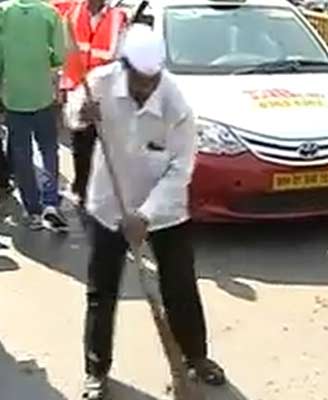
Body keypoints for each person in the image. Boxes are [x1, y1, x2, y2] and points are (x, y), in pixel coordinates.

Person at [64, 24, 226, 399]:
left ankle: (195, 358)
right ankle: (96, 370)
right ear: (124, 67)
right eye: (138, 80)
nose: (145, 88)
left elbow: (180, 170)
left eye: (151, 81)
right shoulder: (100, 82)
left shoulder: (176, 105)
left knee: (180, 287)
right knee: (100, 292)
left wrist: (147, 215)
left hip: (164, 211)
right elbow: (72, 109)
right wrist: (81, 114)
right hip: (109, 203)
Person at [0, 0, 69, 232]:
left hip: (14, 96)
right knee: (48, 149)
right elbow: (60, 54)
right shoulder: (50, 13)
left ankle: (33, 210)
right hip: (42, 95)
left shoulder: (4, 12)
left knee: (22, 154)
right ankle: (51, 202)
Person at [61, 0, 127, 208]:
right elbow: (65, 51)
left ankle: (104, 192)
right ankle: (81, 189)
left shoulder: (118, 18)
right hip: (78, 89)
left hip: (105, 92)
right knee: (81, 144)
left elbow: (121, 57)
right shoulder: (72, 13)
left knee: (106, 145)